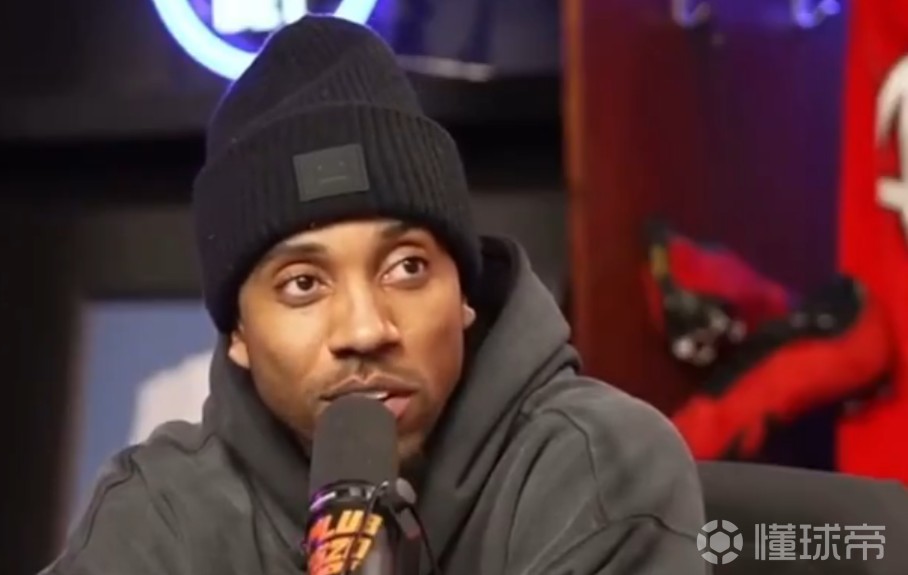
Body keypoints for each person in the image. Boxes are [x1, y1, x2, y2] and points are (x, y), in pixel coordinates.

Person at [41, 15, 707, 575]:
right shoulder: (160, 513)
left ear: (464, 290)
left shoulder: (598, 466)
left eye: (406, 268)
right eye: (303, 284)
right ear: (238, 331)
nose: (365, 329)